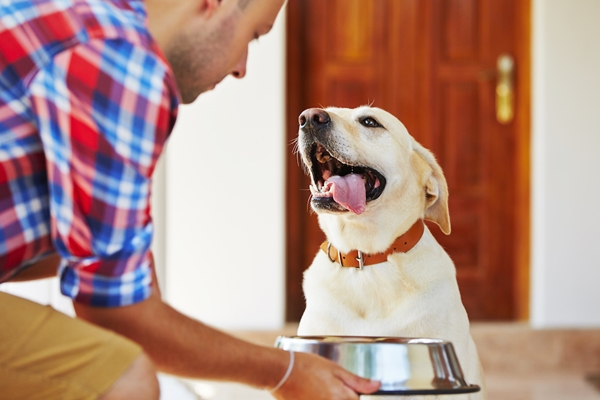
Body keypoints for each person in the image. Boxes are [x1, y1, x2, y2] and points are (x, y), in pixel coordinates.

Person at [0, 0, 382, 399]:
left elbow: (105, 262)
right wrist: (284, 371)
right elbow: (117, 316)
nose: (241, 67)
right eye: (252, 35)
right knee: (123, 377)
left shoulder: (85, 16)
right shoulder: (122, 62)